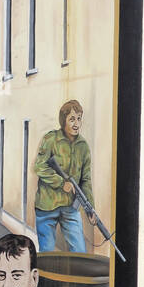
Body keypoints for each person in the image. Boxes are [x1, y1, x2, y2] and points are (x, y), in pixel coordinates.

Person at [33, 99, 94, 254]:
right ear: (63, 121)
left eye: (79, 118)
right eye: (72, 119)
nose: (76, 124)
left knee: (80, 253)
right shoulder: (51, 139)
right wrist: (61, 183)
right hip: (47, 206)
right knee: (46, 253)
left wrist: (90, 209)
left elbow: (86, 180)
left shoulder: (83, 146)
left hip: (70, 207)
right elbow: (39, 167)